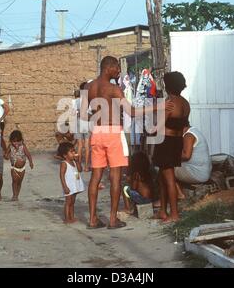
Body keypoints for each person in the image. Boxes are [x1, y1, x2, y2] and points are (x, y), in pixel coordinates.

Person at [83, 56, 170, 229]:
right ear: (108, 68)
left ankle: (93, 219)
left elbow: (84, 115)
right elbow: (132, 112)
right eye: (116, 68)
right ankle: (113, 220)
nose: (119, 71)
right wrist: (158, 106)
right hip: (113, 134)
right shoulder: (114, 89)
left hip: (96, 133)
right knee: (116, 176)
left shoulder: (88, 87)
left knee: (95, 177)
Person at [153, 71, 190, 223]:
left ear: (168, 86)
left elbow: (157, 127)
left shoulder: (169, 103)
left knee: (168, 179)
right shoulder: (185, 104)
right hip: (176, 141)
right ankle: (162, 210)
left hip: (165, 142)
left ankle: (174, 214)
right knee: (163, 178)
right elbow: (185, 126)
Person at [175, 121, 212, 189]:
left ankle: (179, 193)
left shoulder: (188, 135)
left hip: (198, 174)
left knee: (163, 167)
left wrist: (169, 155)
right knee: (167, 164)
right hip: (202, 172)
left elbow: (186, 156)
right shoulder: (193, 130)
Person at [58, 142, 85, 224]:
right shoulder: (64, 164)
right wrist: (65, 187)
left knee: (72, 202)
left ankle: (71, 217)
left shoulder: (74, 162)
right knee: (68, 202)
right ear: (65, 155)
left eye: (74, 151)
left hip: (75, 186)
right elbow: (61, 176)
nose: (74, 153)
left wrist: (77, 162)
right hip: (69, 186)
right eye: (71, 152)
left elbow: (80, 170)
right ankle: (67, 218)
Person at [5, 130, 34, 201]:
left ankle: (17, 195)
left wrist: (31, 162)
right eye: (14, 142)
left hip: (22, 168)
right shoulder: (10, 147)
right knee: (14, 181)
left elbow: (28, 155)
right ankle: (14, 195)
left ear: (21, 140)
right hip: (14, 168)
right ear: (11, 141)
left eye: (18, 141)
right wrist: (6, 156)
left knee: (19, 182)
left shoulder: (23, 146)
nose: (16, 143)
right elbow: (6, 155)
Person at [73, 82, 91, 172]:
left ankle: (78, 165)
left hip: (78, 122)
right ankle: (87, 167)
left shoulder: (75, 101)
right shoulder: (89, 100)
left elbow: (73, 113)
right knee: (87, 146)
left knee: (80, 145)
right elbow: (91, 113)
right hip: (86, 122)